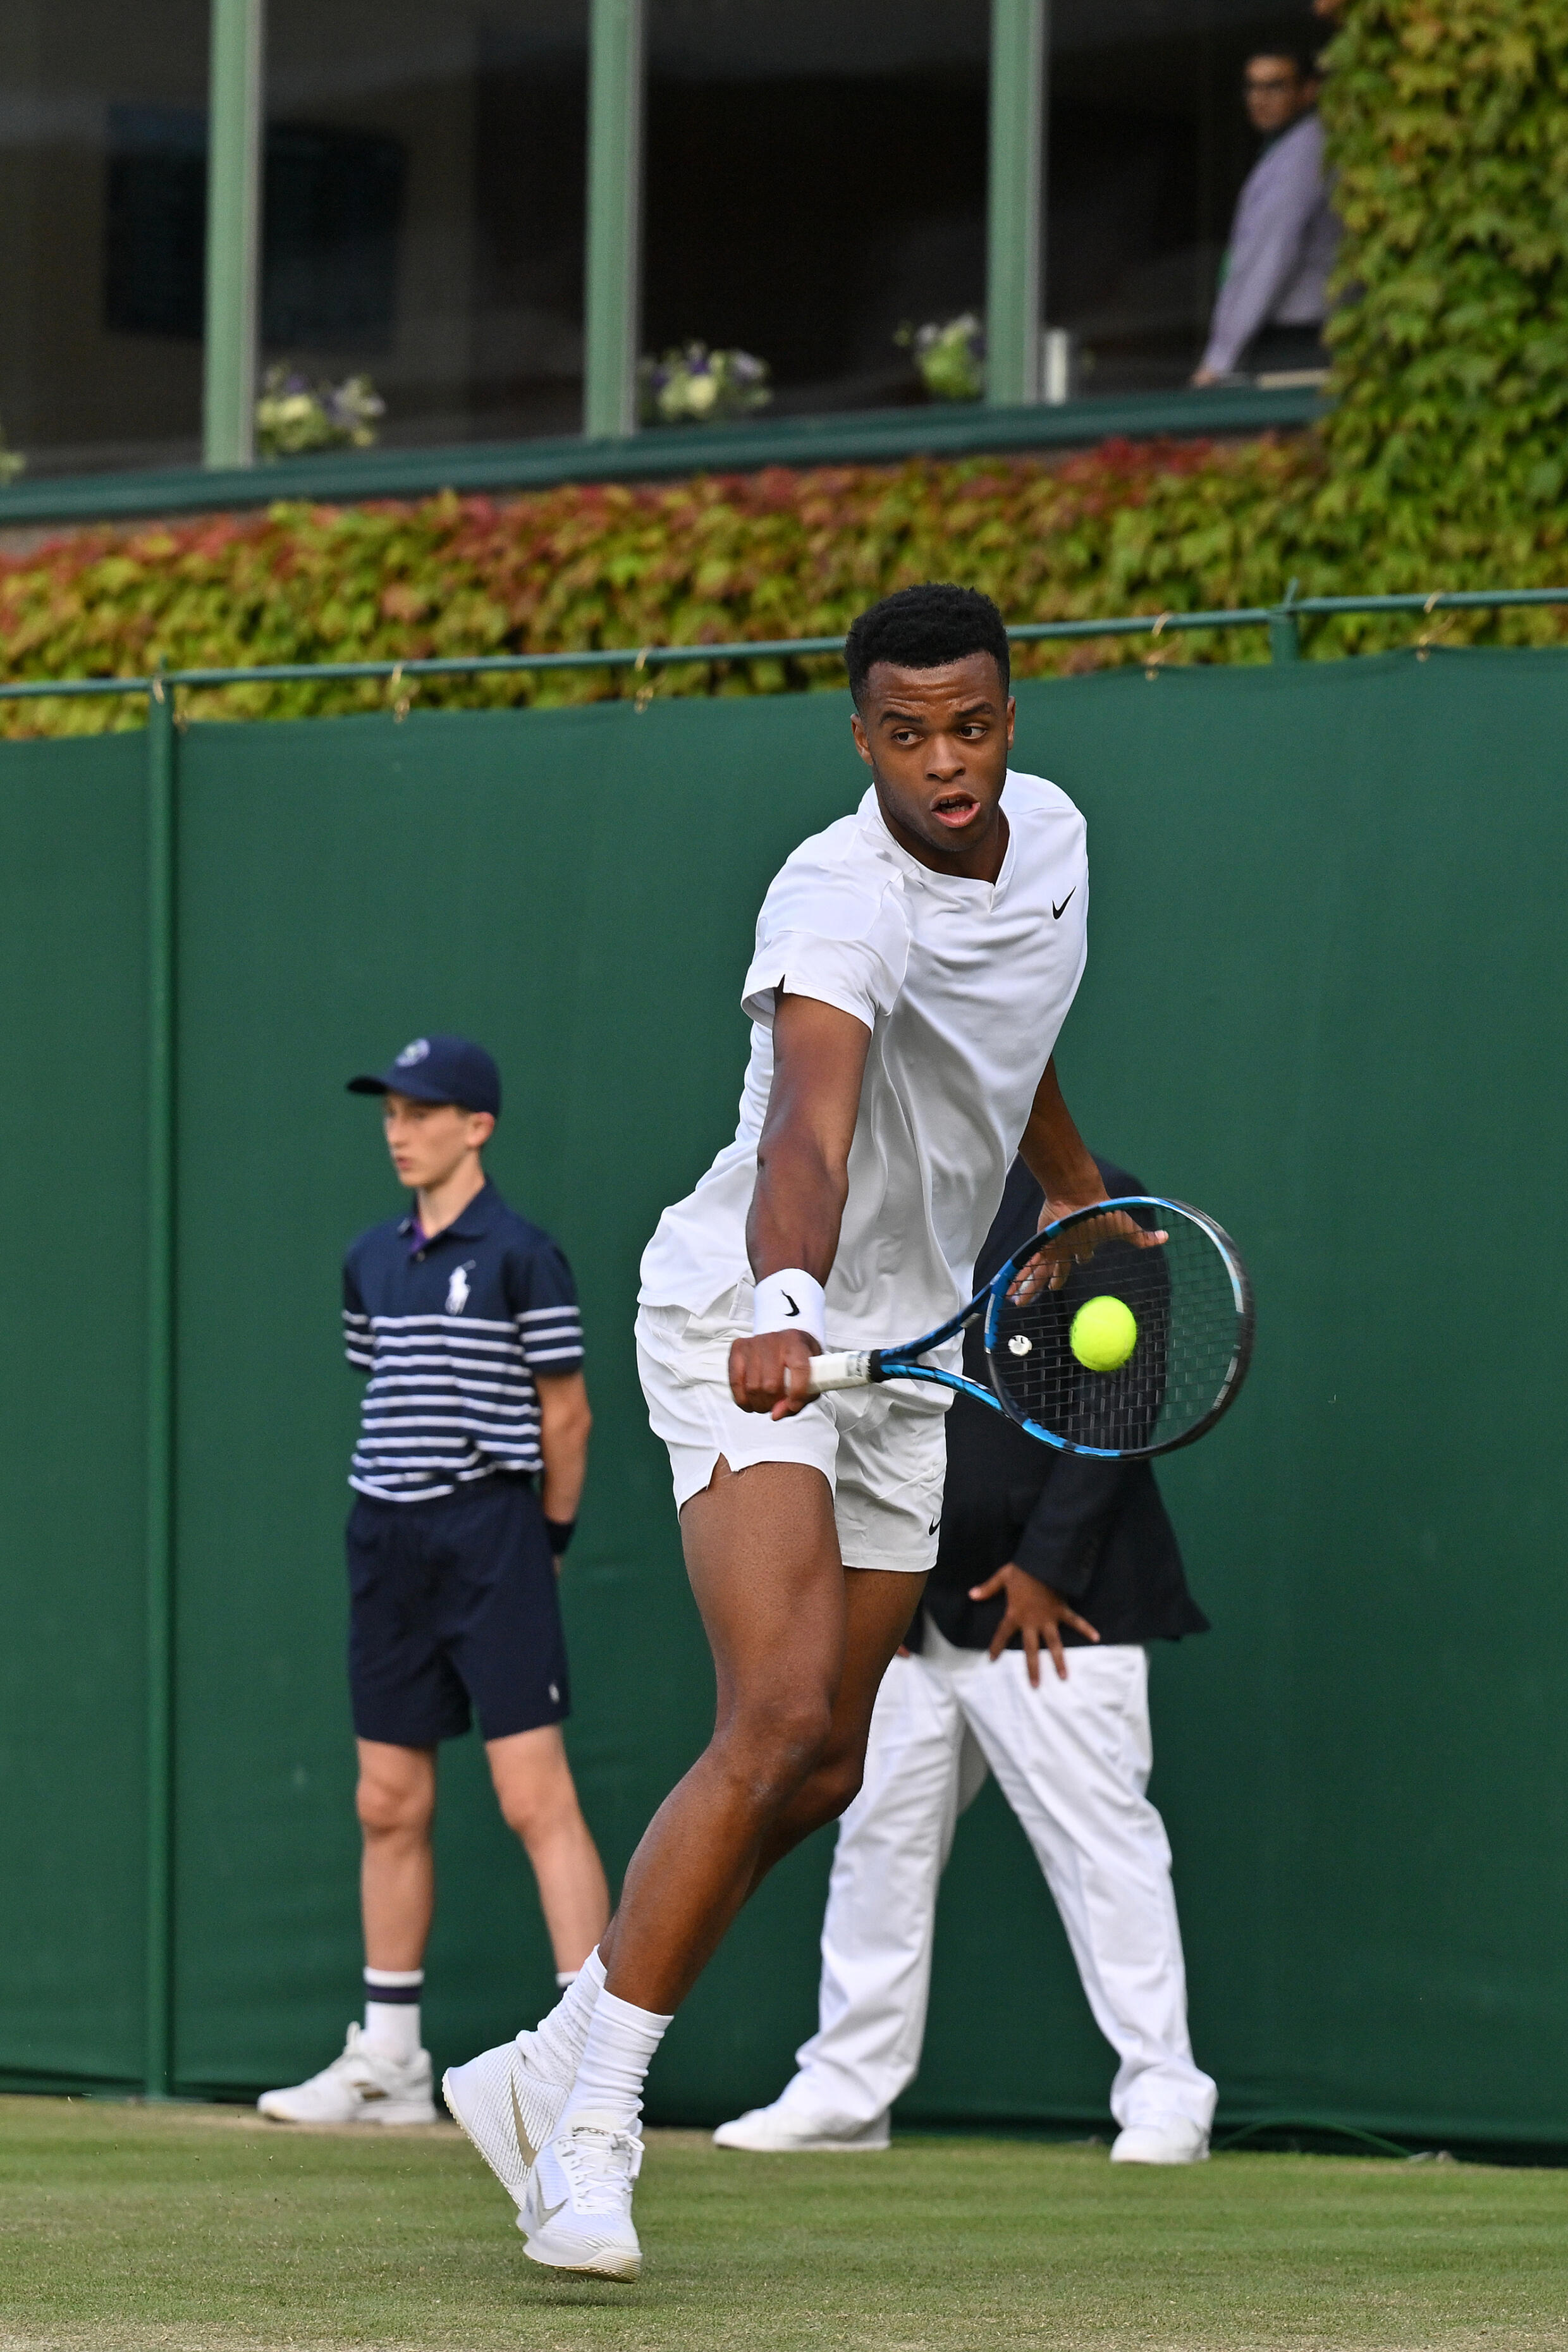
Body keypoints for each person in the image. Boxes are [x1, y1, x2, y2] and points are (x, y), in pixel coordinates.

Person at [441, 581, 1158, 2282]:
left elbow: (1016, 1036)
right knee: (768, 1713)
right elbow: (810, 1135)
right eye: (904, 734)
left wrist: (1069, 1187)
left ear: (1009, 718)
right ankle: (591, 2126)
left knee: (829, 1758)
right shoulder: (836, 892)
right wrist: (782, 1304)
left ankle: (542, 2065)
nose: (945, 763)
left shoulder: (1052, 845)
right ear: (862, 741)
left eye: (969, 724)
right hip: (746, 1318)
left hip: (904, 1358)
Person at [711, 1151, 1216, 2166]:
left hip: (1060, 1615)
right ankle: (847, 2092)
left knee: (1104, 1848)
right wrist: (875, 1574)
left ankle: (1167, 2096)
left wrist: (1049, 1570)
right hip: (910, 1603)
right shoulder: (893, 1199)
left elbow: (1123, 1402)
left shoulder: (1102, 1209)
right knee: (876, 1847)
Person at [258, 1034, 609, 2127]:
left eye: (422, 1112)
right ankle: (392, 2063)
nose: (399, 1131)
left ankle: (590, 2068)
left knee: (531, 1796)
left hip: (493, 1535)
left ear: (478, 1126)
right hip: (387, 1540)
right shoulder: (370, 1258)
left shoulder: (522, 1255)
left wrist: (544, 1537)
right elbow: (386, 1383)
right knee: (386, 1800)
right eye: (390, 1114)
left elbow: (568, 1414)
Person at [1192, 49, 1338, 386]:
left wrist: (1218, 360)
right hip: (1288, 336)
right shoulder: (1286, 149)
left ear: (1308, 91)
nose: (1260, 99)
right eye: (1252, 87)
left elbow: (1268, 257)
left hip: (1298, 341)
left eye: (1274, 87)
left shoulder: (1304, 152)